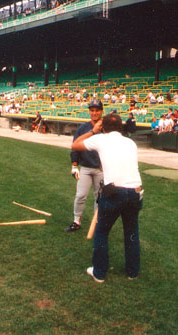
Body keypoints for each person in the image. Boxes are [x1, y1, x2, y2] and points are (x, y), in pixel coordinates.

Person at [71, 113, 143, 283]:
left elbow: (75, 144)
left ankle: (99, 273)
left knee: (102, 232)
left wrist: (93, 131)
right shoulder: (131, 143)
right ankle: (132, 272)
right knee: (132, 232)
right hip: (135, 192)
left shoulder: (100, 138)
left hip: (114, 193)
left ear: (103, 128)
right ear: (121, 127)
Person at [66, 100, 104, 232]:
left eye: (97, 110)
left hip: (101, 169)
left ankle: (97, 223)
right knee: (80, 195)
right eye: (92, 110)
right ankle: (76, 221)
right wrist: (74, 165)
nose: (94, 113)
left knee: (99, 198)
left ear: (101, 111)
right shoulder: (83, 128)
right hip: (86, 168)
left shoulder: (107, 128)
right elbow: (75, 147)